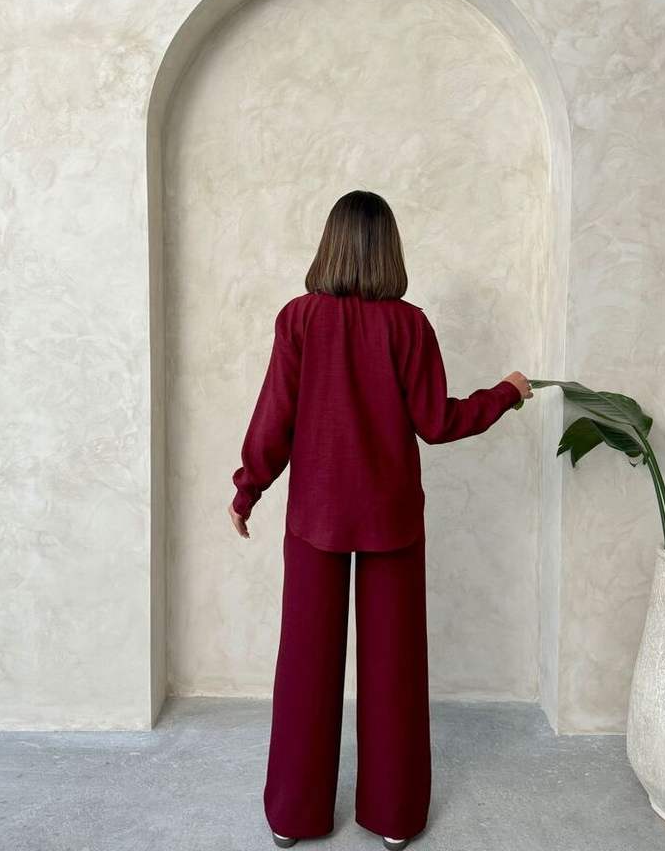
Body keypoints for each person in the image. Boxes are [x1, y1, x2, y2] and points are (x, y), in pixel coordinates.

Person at [228, 190, 533, 849]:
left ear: (329, 245)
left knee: (305, 667)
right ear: (389, 250)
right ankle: (395, 818)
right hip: (391, 520)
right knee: (395, 670)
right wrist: (507, 393)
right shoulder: (408, 325)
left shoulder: (298, 319)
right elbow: (438, 421)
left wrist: (249, 488)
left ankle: (292, 817)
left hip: (315, 519)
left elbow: (274, 415)